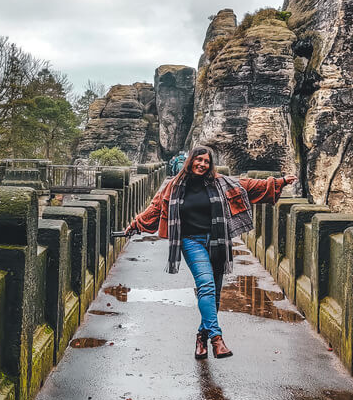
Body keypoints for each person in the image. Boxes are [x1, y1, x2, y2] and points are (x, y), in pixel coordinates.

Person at [125, 145, 297, 359]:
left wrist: (279, 182)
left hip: (217, 241)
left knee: (213, 296)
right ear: (190, 162)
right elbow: (155, 208)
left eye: (206, 162)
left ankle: (201, 337)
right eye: (199, 160)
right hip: (190, 241)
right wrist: (135, 225)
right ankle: (217, 339)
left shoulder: (220, 183)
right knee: (206, 285)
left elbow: (250, 186)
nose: (202, 164)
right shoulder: (174, 186)